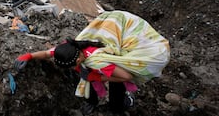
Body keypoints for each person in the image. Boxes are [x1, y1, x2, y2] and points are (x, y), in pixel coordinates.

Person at [14, 10, 170, 115]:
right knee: (85, 77)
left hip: (131, 43)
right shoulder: (71, 47)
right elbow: (48, 53)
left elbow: (126, 76)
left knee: (114, 89)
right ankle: (92, 101)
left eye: (74, 65)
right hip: (112, 38)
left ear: (79, 58)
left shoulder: (97, 61)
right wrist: (28, 56)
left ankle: (123, 102)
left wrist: (99, 78)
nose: (74, 68)